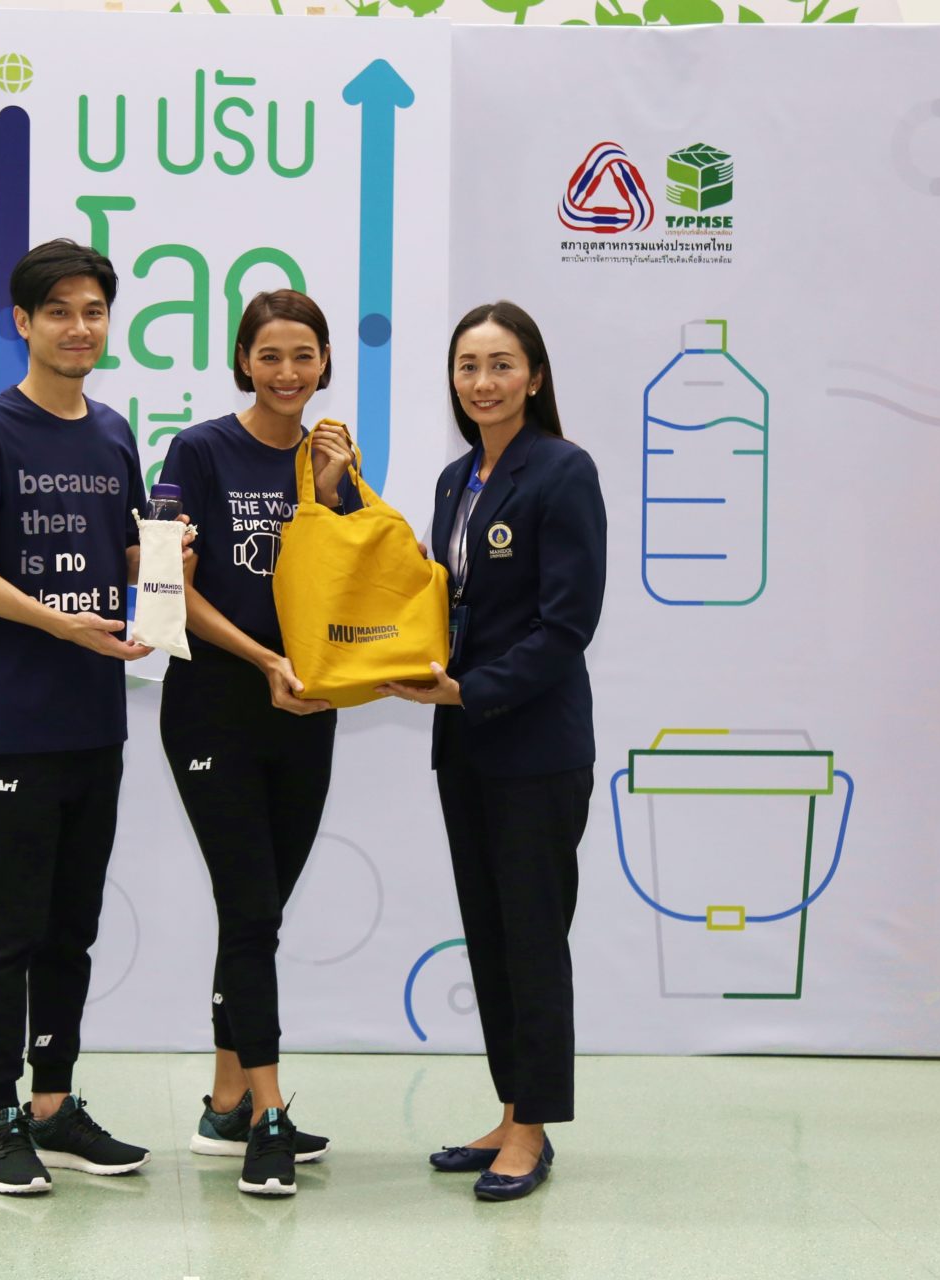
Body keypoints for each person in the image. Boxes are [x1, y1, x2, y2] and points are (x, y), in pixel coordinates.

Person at [0, 238, 158, 1196]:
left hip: (96, 723)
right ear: (22, 323)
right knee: (12, 927)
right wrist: (57, 622)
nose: (79, 327)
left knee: (73, 927)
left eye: (93, 310)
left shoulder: (113, 433)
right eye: (58, 310)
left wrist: (165, 577)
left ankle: (54, 1106)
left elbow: (133, 552)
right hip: (15, 723)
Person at [378, 300, 607, 1203]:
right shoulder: (454, 480)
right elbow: (448, 599)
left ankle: (533, 1130)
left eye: (502, 364)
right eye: (469, 366)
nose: (484, 382)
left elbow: (567, 625)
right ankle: (510, 1109)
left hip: (536, 745)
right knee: (490, 936)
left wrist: (472, 689)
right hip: (465, 744)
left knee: (532, 939)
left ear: (535, 376)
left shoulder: (564, 471)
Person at [156, 290, 356, 1196]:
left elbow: (352, 587)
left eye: (303, 355)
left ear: (325, 363)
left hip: (305, 713)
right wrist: (265, 659)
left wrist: (340, 493)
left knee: (259, 910)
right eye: (269, 355)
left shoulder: (330, 462)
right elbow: (168, 590)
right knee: (249, 908)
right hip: (214, 707)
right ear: (243, 361)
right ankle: (269, 1115)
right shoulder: (198, 451)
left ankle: (227, 1103)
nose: (287, 372)